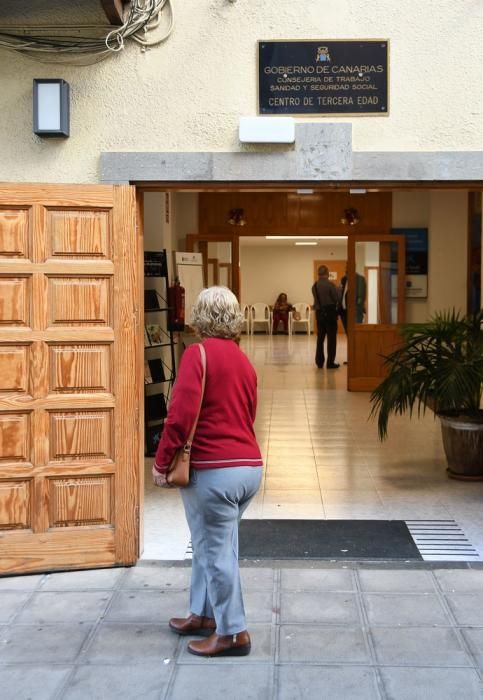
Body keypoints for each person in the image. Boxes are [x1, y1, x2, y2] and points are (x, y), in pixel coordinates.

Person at [152, 286, 263, 658]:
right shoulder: (243, 361)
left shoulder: (196, 355)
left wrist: (161, 462)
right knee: (211, 544)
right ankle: (202, 615)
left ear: (199, 316)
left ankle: (233, 633)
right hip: (248, 469)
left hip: (213, 471)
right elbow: (248, 414)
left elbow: (179, 417)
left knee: (216, 552)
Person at [312, 265, 340, 369]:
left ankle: (319, 362)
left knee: (320, 338)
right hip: (330, 314)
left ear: (318, 273)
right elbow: (336, 298)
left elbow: (316, 301)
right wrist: (339, 290)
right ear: (327, 273)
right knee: (331, 339)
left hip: (319, 314)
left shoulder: (314, 286)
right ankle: (330, 363)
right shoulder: (330, 285)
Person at [338, 267, 367, 333]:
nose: (346, 275)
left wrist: (357, 308)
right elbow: (341, 293)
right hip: (344, 312)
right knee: (348, 332)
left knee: (355, 333)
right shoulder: (344, 279)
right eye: (346, 273)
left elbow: (361, 297)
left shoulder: (360, 279)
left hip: (355, 311)